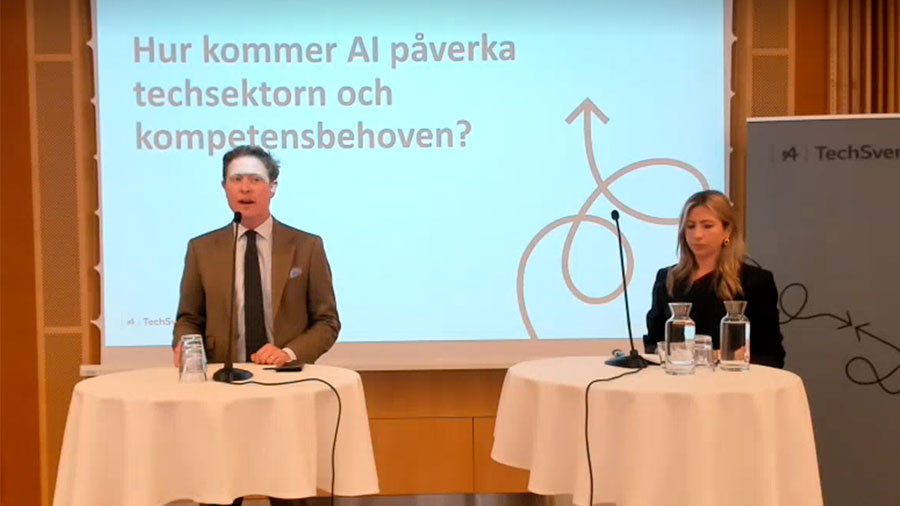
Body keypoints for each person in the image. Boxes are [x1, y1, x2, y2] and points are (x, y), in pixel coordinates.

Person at [172, 145, 340, 506]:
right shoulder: (202, 249)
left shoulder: (306, 246)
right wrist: (187, 345)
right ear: (224, 187)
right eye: (236, 179)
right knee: (218, 495)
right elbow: (189, 317)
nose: (245, 188)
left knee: (288, 496)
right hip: (221, 391)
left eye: (255, 179)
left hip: (283, 390)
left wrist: (288, 352)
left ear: (273, 187)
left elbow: (327, 321)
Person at [643, 190, 785, 368]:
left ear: (727, 231)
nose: (697, 235)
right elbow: (653, 344)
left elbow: (772, 356)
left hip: (733, 381)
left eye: (707, 226)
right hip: (677, 379)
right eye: (690, 226)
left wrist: (724, 357)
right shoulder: (668, 279)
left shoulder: (755, 281)